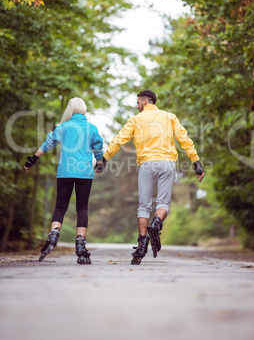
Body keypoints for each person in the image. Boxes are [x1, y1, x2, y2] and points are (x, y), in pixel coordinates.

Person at [96, 90, 204, 265]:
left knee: (143, 206)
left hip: (147, 164)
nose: (136, 105)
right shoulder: (170, 117)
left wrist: (104, 159)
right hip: (167, 163)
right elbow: (185, 140)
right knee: (163, 204)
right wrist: (196, 162)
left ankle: (141, 245)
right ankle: (156, 222)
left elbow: (119, 139)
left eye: (138, 102)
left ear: (145, 102)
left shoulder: (135, 120)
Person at [24, 97, 104, 265]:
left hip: (65, 172)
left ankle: (53, 234)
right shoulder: (91, 128)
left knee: (60, 206)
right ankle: (81, 246)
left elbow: (47, 144)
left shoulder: (63, 127)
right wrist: (99, 162)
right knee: (82, 208)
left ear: (70, 109)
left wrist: (32, 160)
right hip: (84, 173)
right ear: (83, 110)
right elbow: (98, 146)